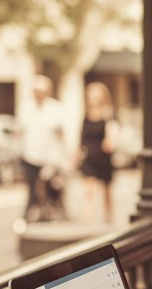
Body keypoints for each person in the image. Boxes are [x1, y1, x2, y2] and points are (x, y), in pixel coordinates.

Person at [16, 74, 66, 222]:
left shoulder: (55, 108)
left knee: (53, 188)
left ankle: (55, 212)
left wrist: (63, 155)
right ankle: (30, 215)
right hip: (31, 156)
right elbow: (19, 131)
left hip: (50, 158)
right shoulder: (25, 108)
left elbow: (60, 134)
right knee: (33, 188)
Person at [77, 81, 119, 223]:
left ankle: (109, 219)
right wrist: (78, 152)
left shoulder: (108, 113)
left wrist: (111, 140)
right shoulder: (86, 114)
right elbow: (82, 136)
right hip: (90, 157)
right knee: (88, 189)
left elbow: (113, 131)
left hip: (104, 156)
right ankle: (88, 221)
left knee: (106, 190)